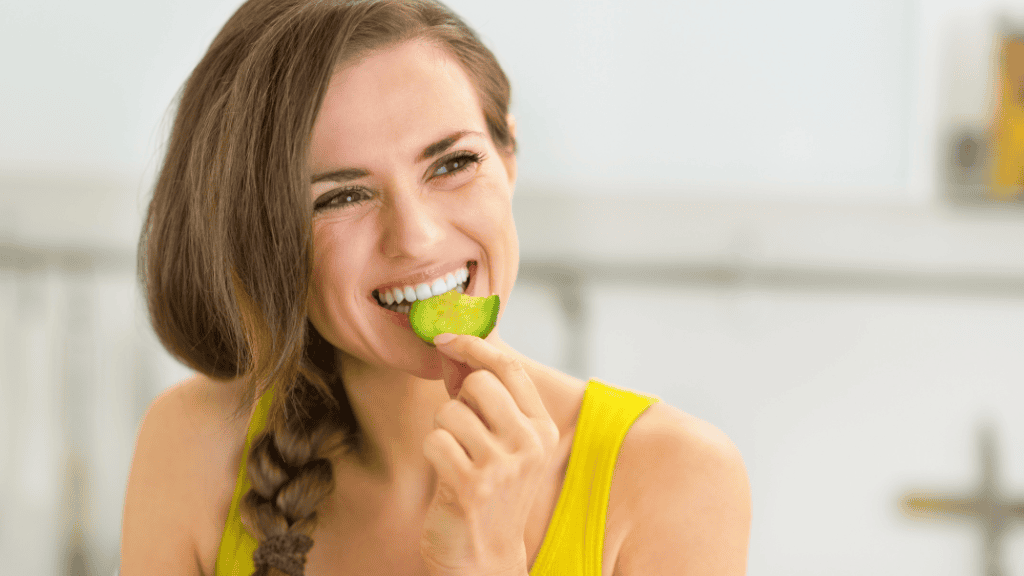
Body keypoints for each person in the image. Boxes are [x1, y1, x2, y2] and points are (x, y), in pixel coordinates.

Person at [119, 1, 751, 575]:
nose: (416, 238)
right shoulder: (193, 447)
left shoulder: (673, 477)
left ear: (507, 156)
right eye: (341, 196)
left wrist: (487, 561)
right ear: (260, 236)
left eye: (452, 163)